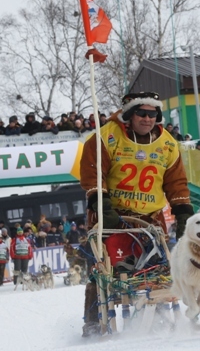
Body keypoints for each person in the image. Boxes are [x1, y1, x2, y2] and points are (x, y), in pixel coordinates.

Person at [78, 90, 193, 336]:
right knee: (107, 271)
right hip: (112, 218)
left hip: (150, 221)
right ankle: (93, 320)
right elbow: (92, 173)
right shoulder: (106, 137)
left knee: (157, 271)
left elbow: (177, 183)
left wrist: (184, 213)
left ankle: (160, 315)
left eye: (153, 114)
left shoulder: (168, 144)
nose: (147, 119)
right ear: (130, 115)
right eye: (141, 113)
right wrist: (102, 205)